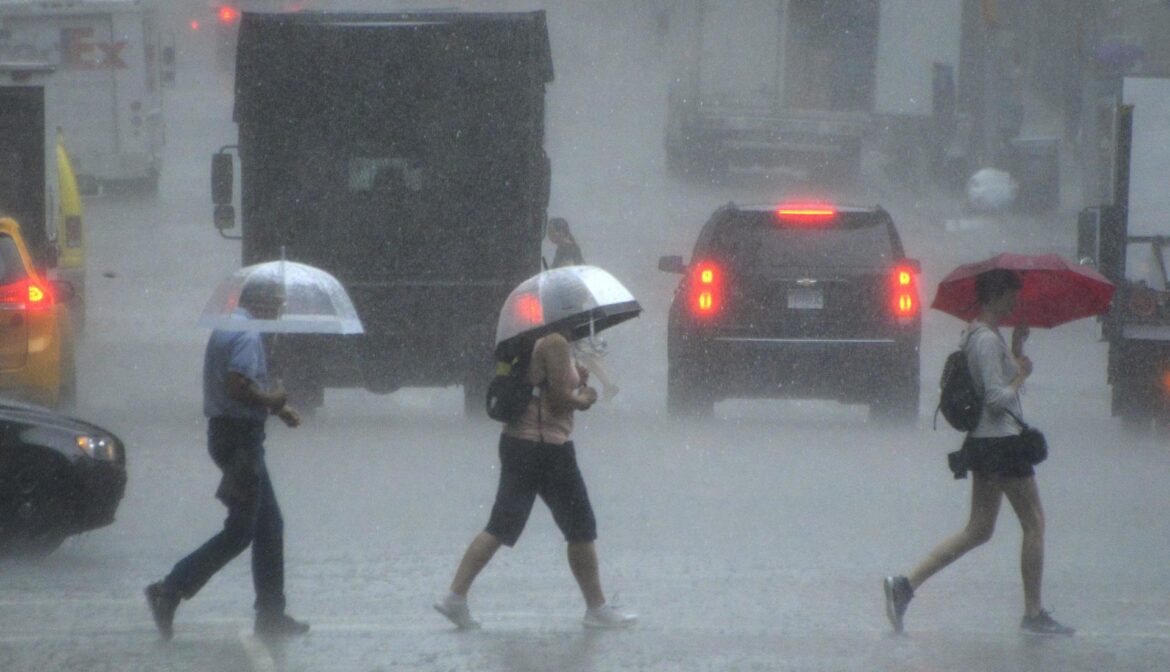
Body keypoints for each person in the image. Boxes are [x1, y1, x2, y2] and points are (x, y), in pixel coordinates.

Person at [883, 269, 1074, 636]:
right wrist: (1020, 375)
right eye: (1012, 296)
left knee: (979, 530)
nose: (1016, 303)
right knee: (1034, 522)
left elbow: (999, 384)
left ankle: (905, 586)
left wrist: (1016, 351)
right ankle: (1033, 613)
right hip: (1001, 443)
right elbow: (997, 399)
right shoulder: (985, 340)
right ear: (996, 296)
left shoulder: (983, 336)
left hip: (989, 444)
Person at [434, 328, 637, 630]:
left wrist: (573, 378)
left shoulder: (534, 340)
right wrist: (585, 397)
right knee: (580, 527)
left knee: (501, 526)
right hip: (545, 448)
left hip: (520, 444)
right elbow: (557, 401)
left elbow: (544, 385)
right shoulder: (554, 341)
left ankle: (455, 597)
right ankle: (597, 609)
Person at [145, 281, 309, 641]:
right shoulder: (249, 335)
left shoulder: (229, 325)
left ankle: (270, 613)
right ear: (262, 305)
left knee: (269, 526)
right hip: (240, 442)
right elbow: (237, 386)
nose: (279, 314)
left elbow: (234, 388)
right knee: (241, 532)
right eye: (277, 306)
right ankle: (169, 589)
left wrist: (278, 409)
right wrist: (272, 401)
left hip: (229, 436)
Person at [546, 217, 619, 400]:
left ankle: (571, 389)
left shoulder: (567, 249)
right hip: (571, 305)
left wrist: (551, 276)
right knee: (581, 350)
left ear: (561, 232)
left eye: (551, 231)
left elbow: (568, 273)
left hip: (569, 307)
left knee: (573, 348)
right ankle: (606, 385)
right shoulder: (568, 248)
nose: (549, 235)